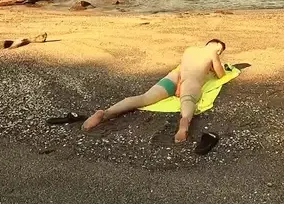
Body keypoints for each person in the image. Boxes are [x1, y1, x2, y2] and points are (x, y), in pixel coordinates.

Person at [82, 39, 227, 142]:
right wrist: (214, 66)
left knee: (145, 98)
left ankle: (106, 113)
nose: (218, 52)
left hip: (173, 77)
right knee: (188, 100)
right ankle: (184, 123)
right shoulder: (212, 53)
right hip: (191, 80)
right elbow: (221, 75)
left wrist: (178, 86)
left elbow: (182, 69)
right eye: (219, 50)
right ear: (213, 45)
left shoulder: (190, 50)